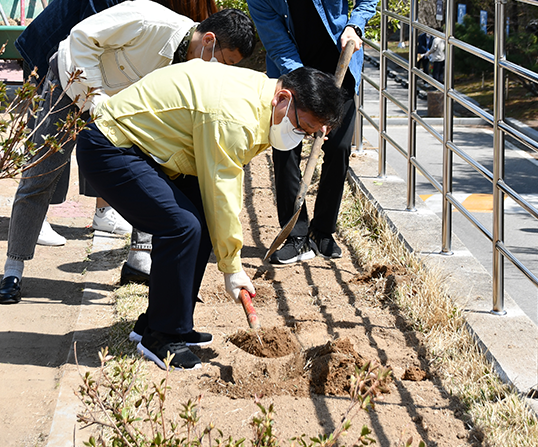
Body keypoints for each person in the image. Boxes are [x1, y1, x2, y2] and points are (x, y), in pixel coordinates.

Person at [76, 62, 346, 370]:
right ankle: (163, 338)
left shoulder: (262, 101)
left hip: (153, 152)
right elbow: (223, 192)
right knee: (182, 226)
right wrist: (232, 267)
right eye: (301, 127)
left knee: (200, 221)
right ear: (283, 98)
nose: (299, 136)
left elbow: (218, 192)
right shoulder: (236, 116)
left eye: (310, 134)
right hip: (111, 146)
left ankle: (159, 322)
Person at [0, 1, 256, 304]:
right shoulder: (150, 21)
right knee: (40, 173)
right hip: (72, 84)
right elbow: (79, 39)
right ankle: (12, 269)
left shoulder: (192, 68)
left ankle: (139, 260)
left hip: (120, 114)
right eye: (226, 62)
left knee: (149, 171)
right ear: (209, 40)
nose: (223, 71)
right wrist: (96, 100)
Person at [14, 0, 217, 246]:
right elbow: (87, 41)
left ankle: (103, 212)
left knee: (102, 130)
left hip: (97, 67)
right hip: (56, 55)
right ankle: (36, 217)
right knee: (54, 139)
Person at [246, 0, 380, 265]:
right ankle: (295, 234)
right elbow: (278, 46)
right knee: (285, 148)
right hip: (294, 77)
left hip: (340, 69)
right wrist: (307, 95)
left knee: (336, 149)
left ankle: (323, 232)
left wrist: (354, 24)